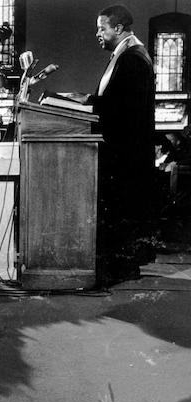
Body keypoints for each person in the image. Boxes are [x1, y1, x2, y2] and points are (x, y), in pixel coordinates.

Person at [85, 5, 156, 283]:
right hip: (124, 151)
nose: (98, 33)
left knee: (123, 212)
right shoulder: (124, 55)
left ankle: (121, 269)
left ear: (119, 28)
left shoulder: (133, 58)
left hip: (127, 154)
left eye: (102, 28)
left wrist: (88, 104)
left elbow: (124, 109)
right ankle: (118, 267)